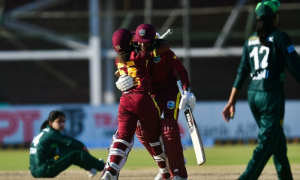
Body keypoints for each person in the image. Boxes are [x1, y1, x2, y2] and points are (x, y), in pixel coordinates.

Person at [222, 1, 300, 179]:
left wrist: (231, 102)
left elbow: (242, 72)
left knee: (277, 142)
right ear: (275, 18)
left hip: (253, 97)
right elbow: (296, 69)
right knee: (267, 143)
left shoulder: (250, 41)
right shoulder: (281, 38)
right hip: (271, 97)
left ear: (258, 19)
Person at [116, 23, 196, 180]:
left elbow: (182, 71)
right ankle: (165, 168)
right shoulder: (136, 51)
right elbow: (123, 56)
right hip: (148, 96)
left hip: (168, 93)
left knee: (168, 129)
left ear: (153, 40)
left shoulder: (164, 52)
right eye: (139, 41)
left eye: (145, 42)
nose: (141, 45)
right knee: (143, 133)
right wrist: (120, 80)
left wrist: (186, 91)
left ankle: (178, 173)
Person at [101, 29, 170, 180]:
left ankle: (111, 170)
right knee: (154, 138)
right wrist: (154, 40)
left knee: (123, 137)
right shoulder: (140, 55)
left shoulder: (118, 59)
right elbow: (165, 46)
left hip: (125, 101)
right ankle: (165, 172)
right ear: (131, 42)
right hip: (142, 99)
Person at [29, 110, 105, 178]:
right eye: (59, 121)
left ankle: (90, 168)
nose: (62, 124)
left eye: (63, 121)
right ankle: (103, 167)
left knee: (68, 152)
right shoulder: (53, 134)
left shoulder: (44, 131)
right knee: (75, 153)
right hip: (45, 169)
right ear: (50, 122)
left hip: (36, 170)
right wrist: (90, 158)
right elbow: (80, 145)